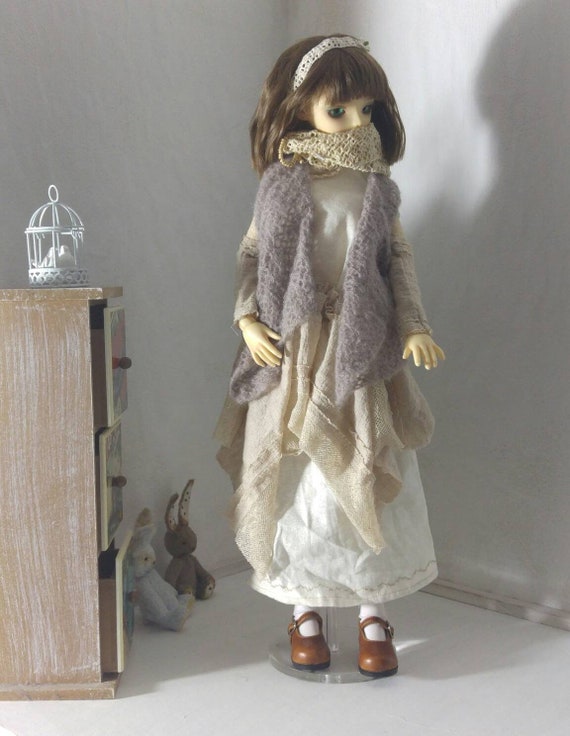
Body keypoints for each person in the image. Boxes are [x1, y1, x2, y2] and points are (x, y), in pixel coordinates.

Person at [215, 34, 445, 678]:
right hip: (291, 352)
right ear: (299, 108)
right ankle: (306, 612)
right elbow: (252, 256)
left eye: (366, 110)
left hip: (361, 351)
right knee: (303, 484)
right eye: (338, 110)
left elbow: (397, 259)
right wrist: (247, 318)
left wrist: (413, 326)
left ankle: (373, 613)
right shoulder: (280, 185)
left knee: (362, 472)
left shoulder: (376, 187)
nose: (355, 122)